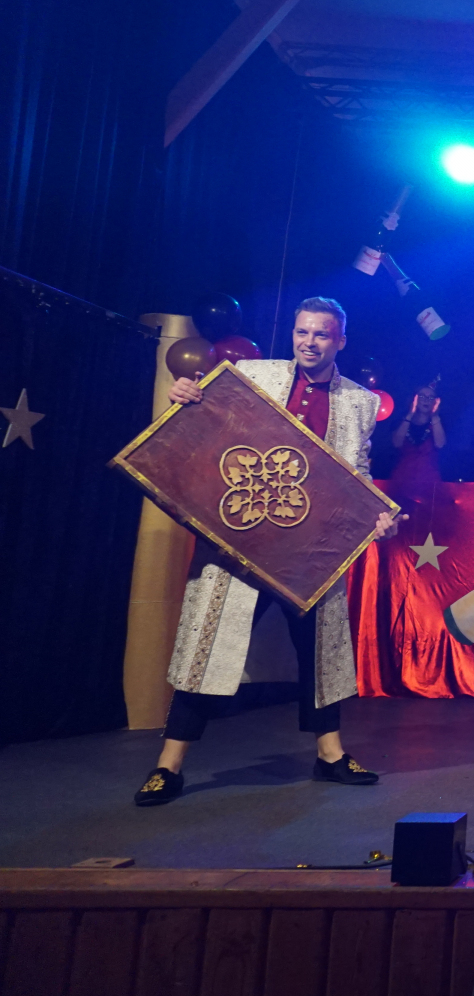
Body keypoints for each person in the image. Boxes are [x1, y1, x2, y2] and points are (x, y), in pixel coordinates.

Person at [135, 296, 402, 807]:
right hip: (241, 539)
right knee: (206, 646)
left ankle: (329, 755)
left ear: (340, 341)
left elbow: (357, 474)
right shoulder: (253, 374)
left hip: (311, 551)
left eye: (321, 334)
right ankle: (168, 765)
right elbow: (207, 424)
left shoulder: (360, 402)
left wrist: (377, 516)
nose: (309, 342)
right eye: (302, 332)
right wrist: (185, 395)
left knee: (321, 653)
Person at [388, 380, 444, 514]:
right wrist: (410, 414)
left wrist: (434, 416)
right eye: (422, 396)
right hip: (402, 479)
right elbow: (396, 443)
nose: (426, 400)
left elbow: (440, 444)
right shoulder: (400, 420)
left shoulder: (439, 422)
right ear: (414, 399)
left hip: (429, 480)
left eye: (430, 397)